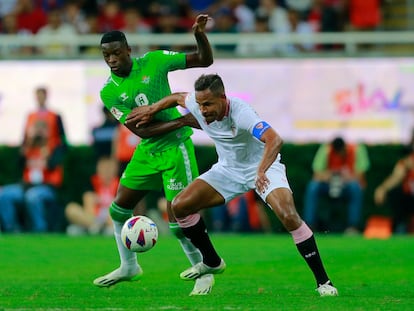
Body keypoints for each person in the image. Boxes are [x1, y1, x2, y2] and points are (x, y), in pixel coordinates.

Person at [126, 73, 338, 296]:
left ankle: (324, 282)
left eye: (208, 104)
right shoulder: (197, 105)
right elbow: (177, 97)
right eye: (199, 104)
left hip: (263, 166)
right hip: (228, 170)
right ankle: (212, 261)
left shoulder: (241, 112)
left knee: (287, 215)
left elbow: (274, 140)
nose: (202, 110)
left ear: (223, 98)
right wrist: (152, 109)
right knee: (179, 206)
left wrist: (261, 170)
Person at [93, 15, 215, 296]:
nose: (111, 59)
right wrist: (182, 121)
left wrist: (199, 35)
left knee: (178, 221)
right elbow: (143, 133)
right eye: (105, 55)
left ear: (128, 51)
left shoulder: (155, 61)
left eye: (115, 53)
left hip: (176, 148)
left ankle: (204, 270)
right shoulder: (109, 92)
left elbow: (203, 60)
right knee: (118, 209)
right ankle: (129, 266)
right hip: (149, 150)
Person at [0, 86, 67, 232]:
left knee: (33, 197)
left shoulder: (53, 149)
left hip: (46, 187)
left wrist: (48, 156)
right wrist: (25, 150)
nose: (38, 131)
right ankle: (12, 228)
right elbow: (17, 166)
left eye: (42, 128)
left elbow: (54, 165)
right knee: (3, 194)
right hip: (26, 185)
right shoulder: (28, 148)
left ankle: (40, 229)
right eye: (36, 128)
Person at [303, 136, 370, 234]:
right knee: (313, 187)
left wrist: (347, 176)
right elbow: (316, 175)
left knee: (355, 188)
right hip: (328, 185)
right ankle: (309, 225)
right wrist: (331, 175)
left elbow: (360, 176)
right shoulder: (325, 149)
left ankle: (353, 226)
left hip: (347, 185)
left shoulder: (357, 149)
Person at [65, 156, 118, 236]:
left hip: (110, 218)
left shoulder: (121, 184)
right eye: (103, 167)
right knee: (71, 208)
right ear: (98, 168)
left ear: (115, 169)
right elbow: (87, 202)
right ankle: (95, 227)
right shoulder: (91, 182)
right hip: (93, 217)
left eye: (109, 167)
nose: (106, 171)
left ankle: (95, 229)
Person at [374, 144, 414, 233]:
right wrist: (382, 189)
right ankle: (400, 226)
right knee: (396, 194)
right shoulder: (404, 164)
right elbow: (396, 177)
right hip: (409, 199)